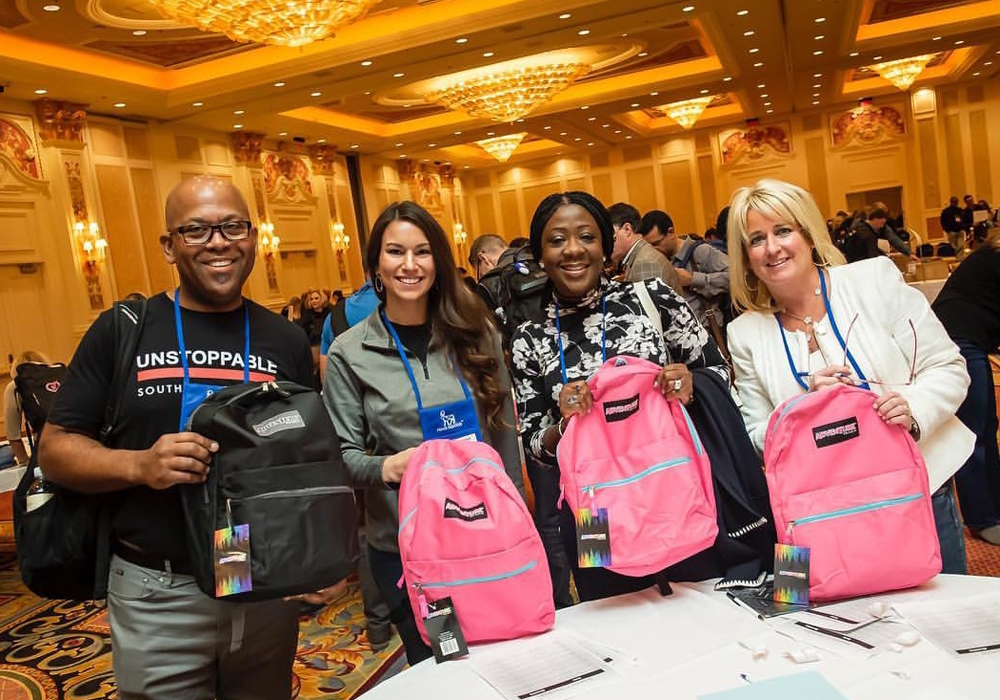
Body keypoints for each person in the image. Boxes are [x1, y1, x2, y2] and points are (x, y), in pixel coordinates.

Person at [38, 176, 339, 700]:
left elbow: (306, 460)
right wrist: (139, 465)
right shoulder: (123, 330)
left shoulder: (286, 340)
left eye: (232, 226)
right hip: (158, 587)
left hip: (256, 577)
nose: (217, 242)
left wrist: (321, 557)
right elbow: (56, 449)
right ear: (169, 246)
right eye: (196, 230)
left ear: (252, 236)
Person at [725, 178, 973, 574]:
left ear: (807, 234)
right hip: (821, 515)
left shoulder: (873, 280)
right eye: (756, 239)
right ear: (745, 256)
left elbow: (948, 366)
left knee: (942, 619)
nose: (771, 248)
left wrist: (912, 409)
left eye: (783, 230)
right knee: (837, 626)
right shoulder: (745, 333)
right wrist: (800, 409)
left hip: (919, 492)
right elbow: (755, 436)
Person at [323, 201, 525, 665]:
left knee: (509, 655)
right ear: (376, 262)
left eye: (422, 252)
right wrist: (389, 467)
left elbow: (502, 432)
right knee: (449, 665)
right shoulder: (349, 354)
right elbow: (341, 459)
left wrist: (517, 514)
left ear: (438, 259)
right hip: (416, 553)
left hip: (489, 534)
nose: (409, 265)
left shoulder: (476, 333)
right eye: (395, 252)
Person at [509, 191, 728, 602]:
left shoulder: (651, 301)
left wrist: (690, 384)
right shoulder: (529, 339)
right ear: (540, 255)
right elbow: (533, 447)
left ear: (605, 247)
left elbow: (718, 371)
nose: (573, 250)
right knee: (615, 617)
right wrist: (562, 424)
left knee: (699, 607)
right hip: (592, 516)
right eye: (557, 240)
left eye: (586, 237)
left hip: (672, 488)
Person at [933, 231, 1000, 546]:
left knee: (987, 427)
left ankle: (993, 509)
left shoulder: (988, 258)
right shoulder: (992, 259)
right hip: (956, 340)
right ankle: (982, 518)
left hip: (970, 337)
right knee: (974, 433)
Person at [638, 209, 730, 329]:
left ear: (670, 232)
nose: (653, 250)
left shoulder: (701, 251)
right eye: (649, 246)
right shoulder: (658, 262)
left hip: (710, 332)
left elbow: (736, 277)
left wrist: (693, 279)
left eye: (656, 243)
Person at [607, 202, 681, 293]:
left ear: (627, 229)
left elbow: (649, 306)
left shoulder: (645, 263)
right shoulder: (640, 257)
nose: (607, 245)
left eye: (611, 238)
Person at [4, 350, 51, 466]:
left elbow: (13, 435)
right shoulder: (60, 378)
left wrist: (25, 463)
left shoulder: (15, 386)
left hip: (47, 451)